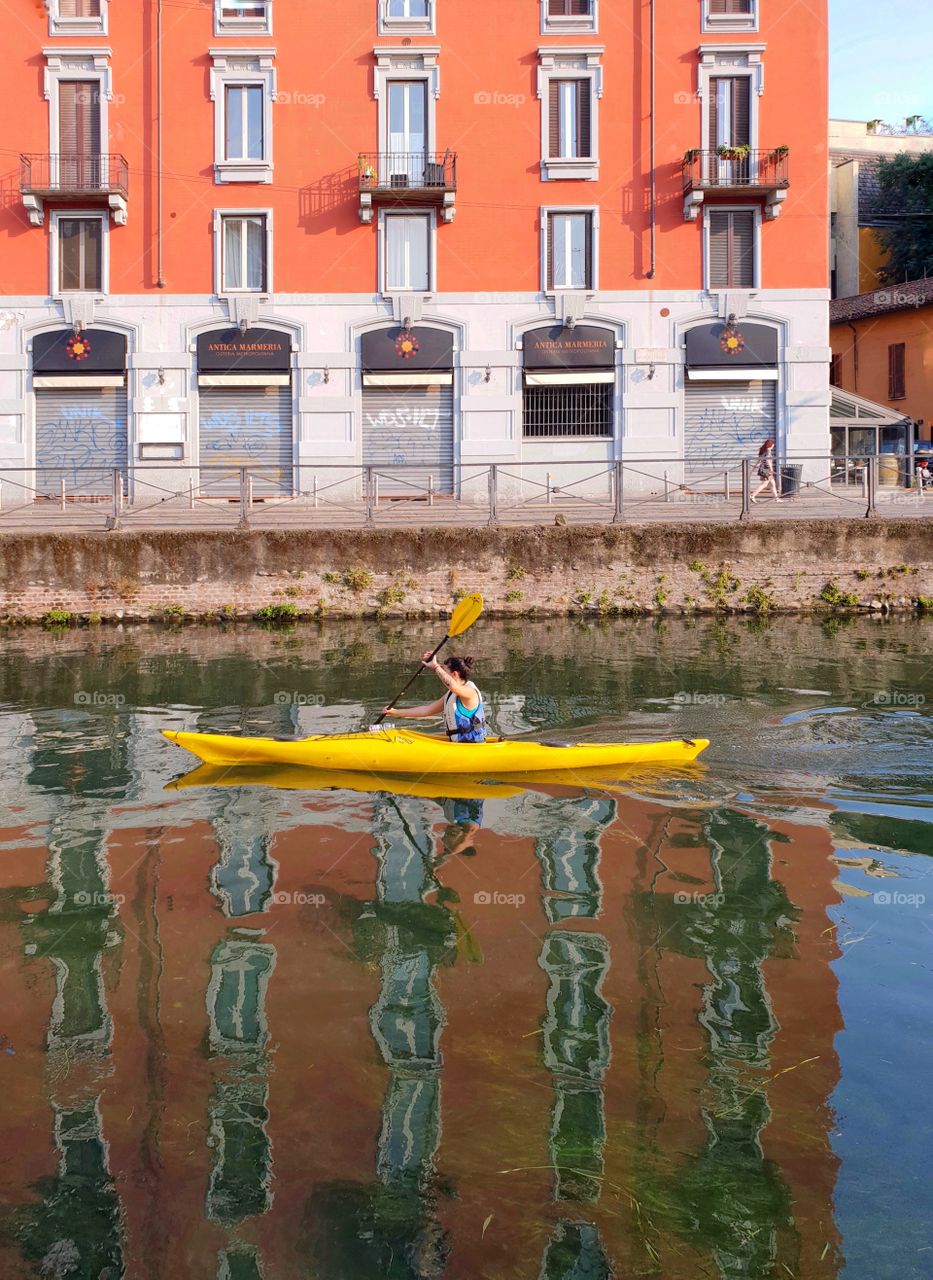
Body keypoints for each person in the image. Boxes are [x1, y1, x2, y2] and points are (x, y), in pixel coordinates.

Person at [383, 654, 487, 743]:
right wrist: (395, 712)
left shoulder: (470, 692)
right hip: (456, 743)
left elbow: (452, 685)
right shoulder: (451, 695)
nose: (442, 674)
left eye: (445, 671)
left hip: (470, 746)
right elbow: (426, 710)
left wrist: (435, 667)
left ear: (454, 674)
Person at [750, 438, 782, 504]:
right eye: (773, 444)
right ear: (771, 445)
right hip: (766, 470)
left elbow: (758, 460)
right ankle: (752, 495)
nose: (773, 446)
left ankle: (776, 498)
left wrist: (753, 468)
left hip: (762, 469)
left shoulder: (763, 451)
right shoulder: (768, 451)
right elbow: (768, 460)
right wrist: (771, 469)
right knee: (764, 484)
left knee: (773, 484)